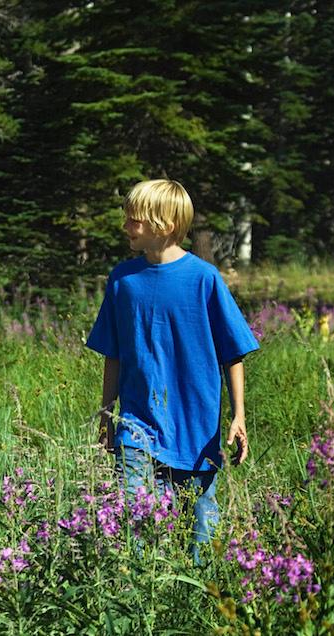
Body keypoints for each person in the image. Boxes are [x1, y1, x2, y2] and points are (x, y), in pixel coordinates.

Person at [86, 179, 258, 558]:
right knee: (138, 526)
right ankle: (147, 604)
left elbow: (234, 353)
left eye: (134, 220)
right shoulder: (122, 281)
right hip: (136, 427)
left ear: (162, 225)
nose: (125, 226)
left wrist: (238, 415)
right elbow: (111, 354)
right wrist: (105, 416)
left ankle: (197, 608)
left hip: (195, 429)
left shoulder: (204, 279)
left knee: (200, 533)